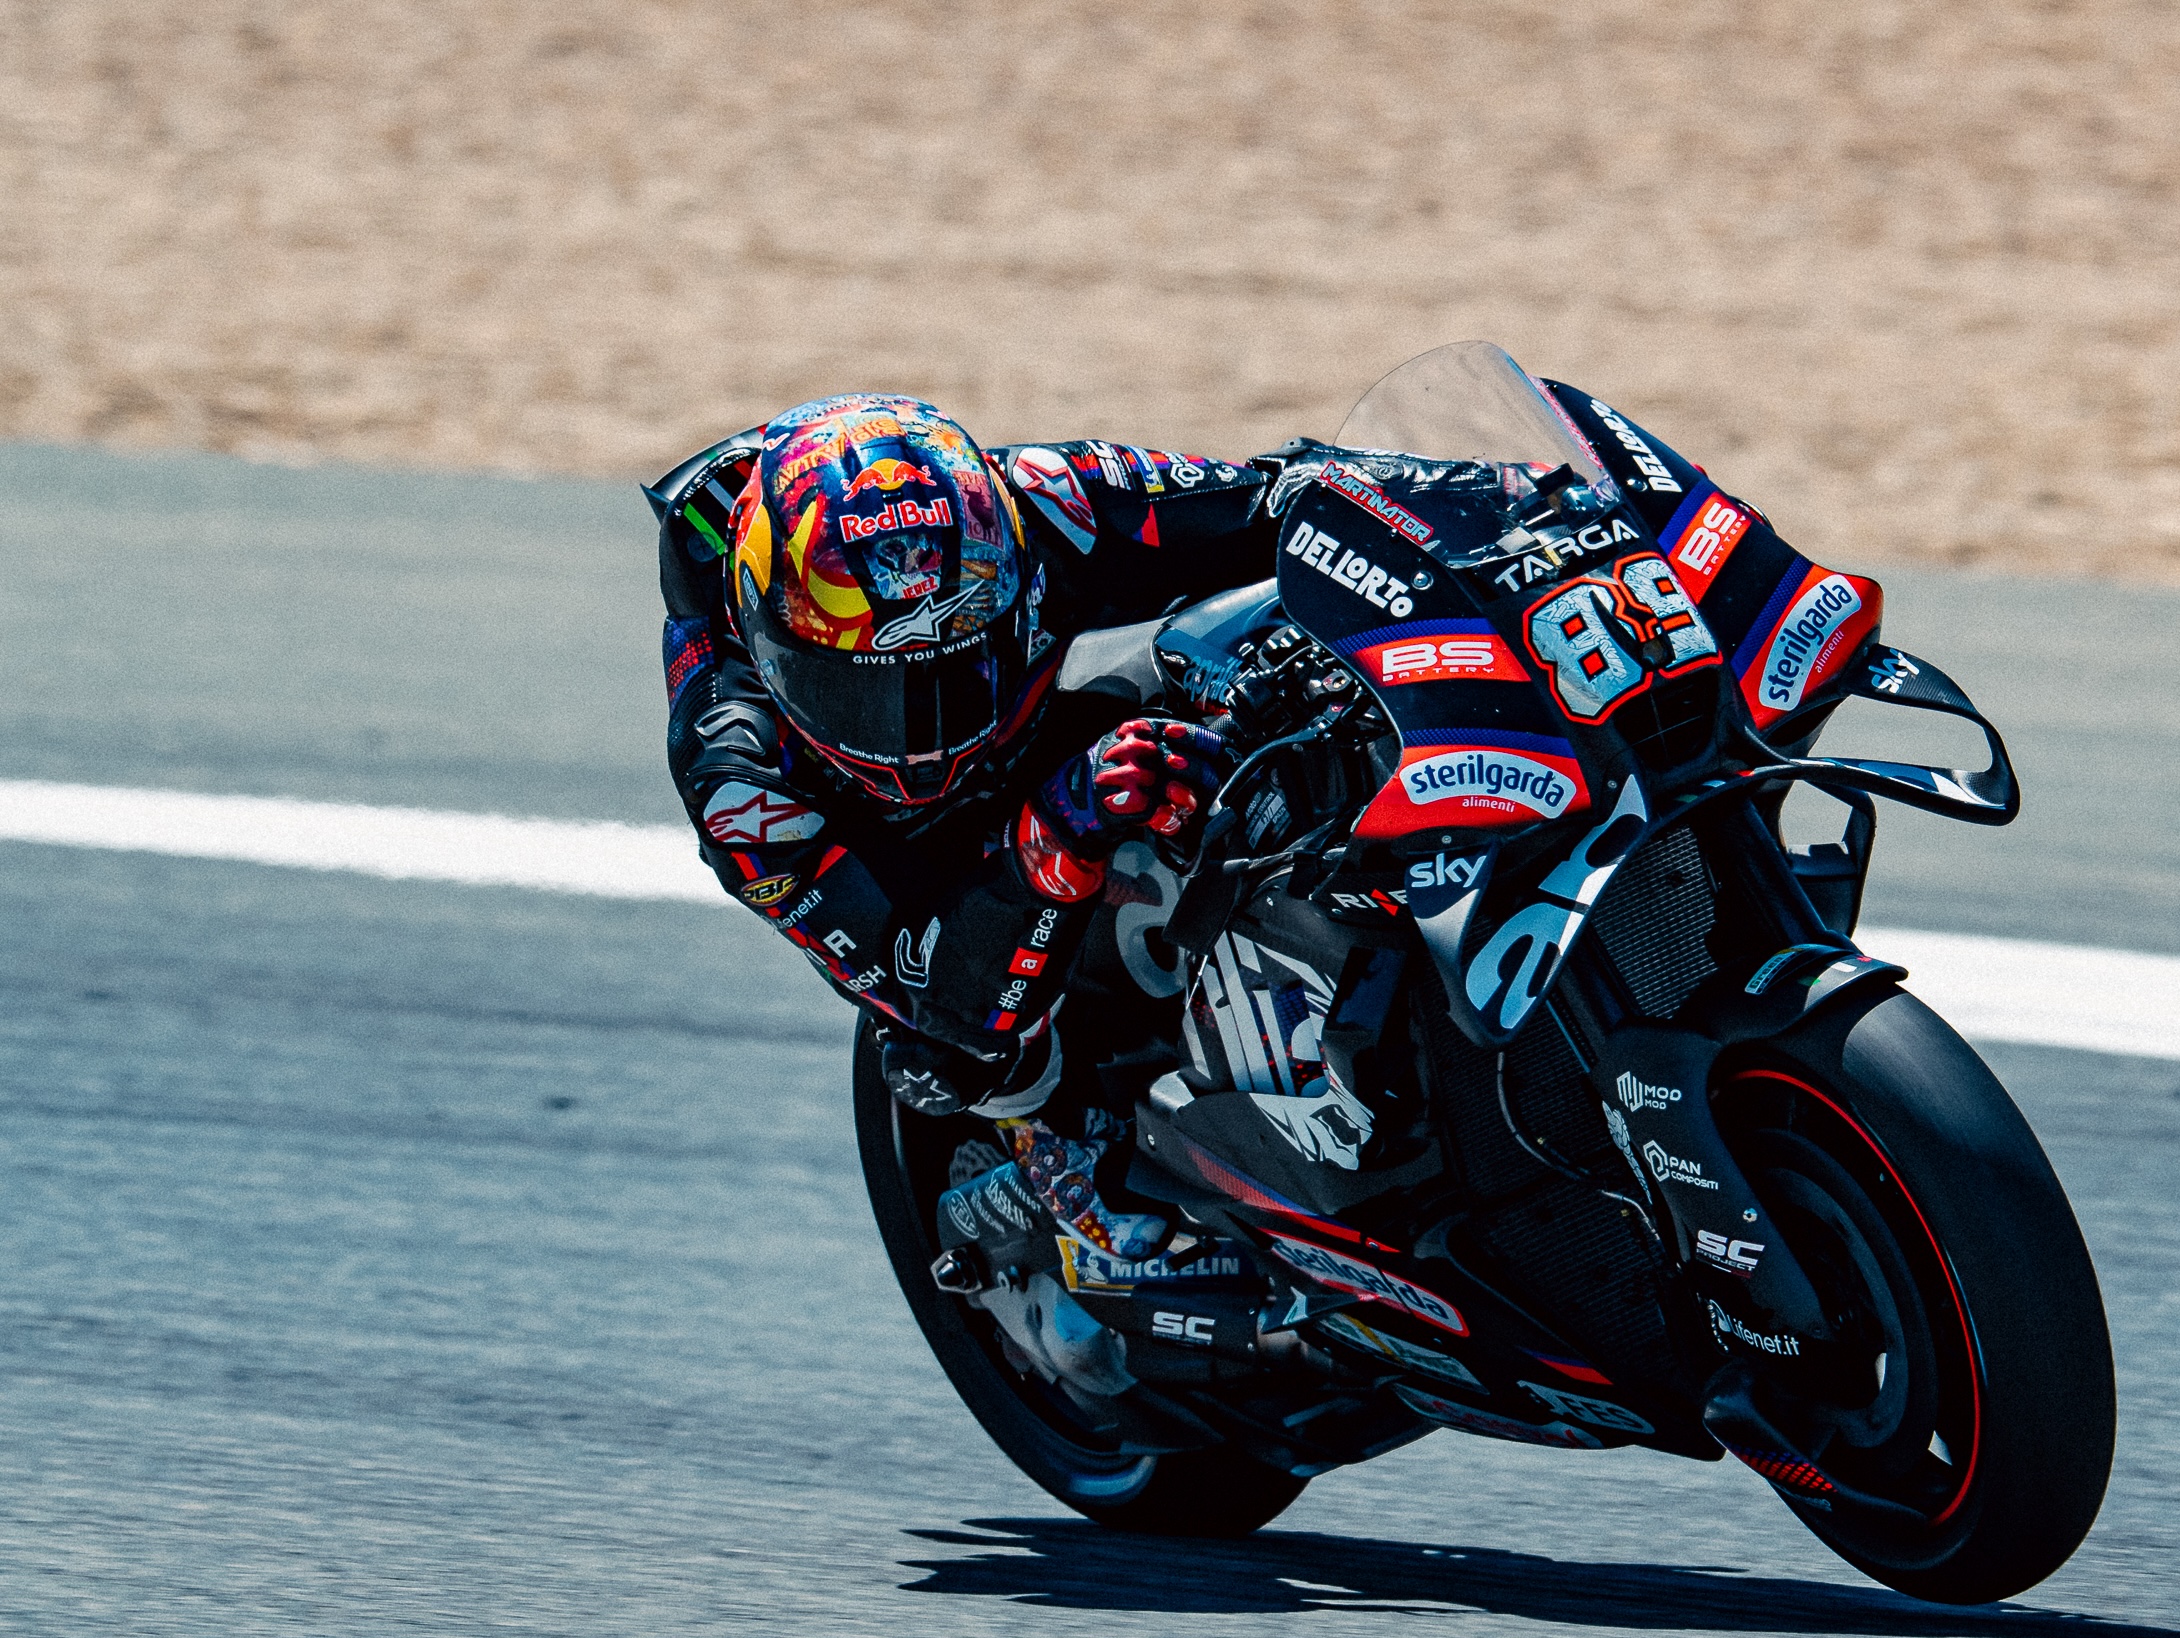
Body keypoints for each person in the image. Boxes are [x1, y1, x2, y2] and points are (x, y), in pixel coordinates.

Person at [643, 380, 1880, 1250]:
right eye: (869, 693)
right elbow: (935, 991)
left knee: (1244, 661)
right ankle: (1061, 1166)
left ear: (1013, 590)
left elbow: (1295, 491)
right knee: (959, 1055)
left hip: (1057, 715)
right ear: (776, 649)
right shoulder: (742, 778)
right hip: (930, 893)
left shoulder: (1048, 509)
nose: (923, 732)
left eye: (956, 675)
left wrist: (1518, 509)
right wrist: (1050, 837)